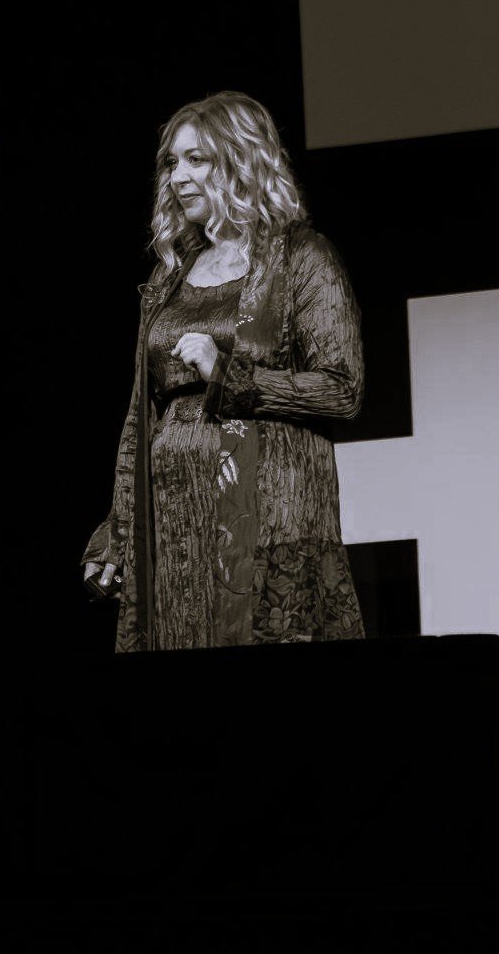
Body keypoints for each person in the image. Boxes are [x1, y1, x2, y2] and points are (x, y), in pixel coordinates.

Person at [81, 91, 366, 651]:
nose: (178, 177)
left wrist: (227, 374)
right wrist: (116, 535)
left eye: (197, 160)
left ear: (240, 160)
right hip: (175, 528)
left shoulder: (301, 258)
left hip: (265, 524)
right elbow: (142, 420)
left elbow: (342, 389)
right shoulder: (169, 278)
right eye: (172, 162)